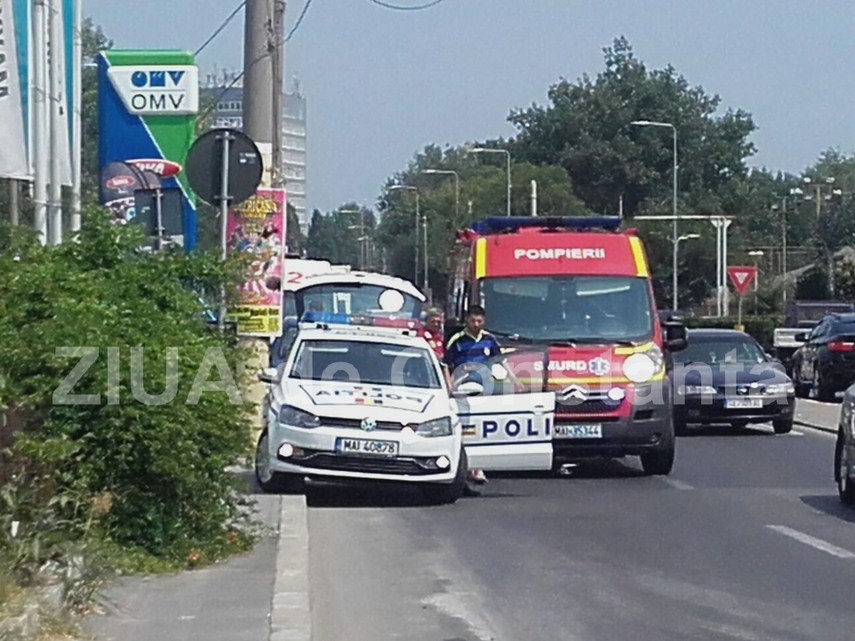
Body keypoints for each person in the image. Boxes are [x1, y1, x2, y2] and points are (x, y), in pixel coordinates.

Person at [444, 305, 502, 487]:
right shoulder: (457, 340)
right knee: (466, 427)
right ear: (467, 320)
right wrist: (449, 386)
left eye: (479, 321)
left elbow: (500, 362)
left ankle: (478, 466)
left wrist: (513, 379)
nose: (476, 324)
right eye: (472, 320)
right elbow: (446, 364)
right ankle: (467, 467)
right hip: (462, 389)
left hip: (485, 389)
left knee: (483, 426)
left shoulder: (489, 340)